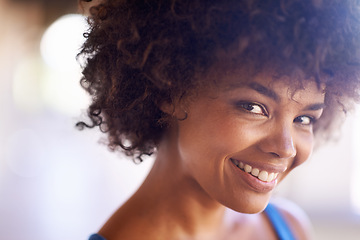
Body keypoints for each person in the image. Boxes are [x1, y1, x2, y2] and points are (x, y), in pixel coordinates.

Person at [77, 0, 360, 239]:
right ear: (171, 89)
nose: (286, 148)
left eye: (304, 118)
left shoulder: (289, 227)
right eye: (253, 106)